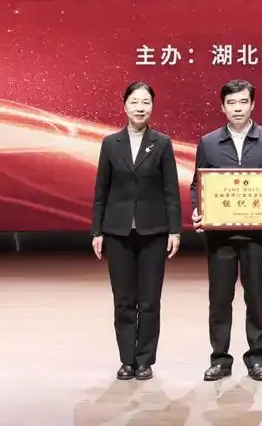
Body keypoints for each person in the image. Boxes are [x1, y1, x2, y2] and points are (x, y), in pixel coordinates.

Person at [189, 79, 262, 382]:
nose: (237, 108)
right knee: (220, 300)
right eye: (231, 103)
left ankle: (257, 358)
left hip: (257, 235)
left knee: (256, 298)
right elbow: (197, 185)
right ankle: (220, 359)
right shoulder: (208, 143)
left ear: (252, 104)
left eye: (243, 102)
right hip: (220, 237)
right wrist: (198, 209)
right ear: (222, 107)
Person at [90, 81, 183, 381]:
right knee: (123, 300)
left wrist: (174, 230)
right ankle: (127, 360)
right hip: (117, 232)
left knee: (150, 300)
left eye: (145, 102)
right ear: (124, 106)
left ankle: (145, 360)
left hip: (153, 232)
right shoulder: (110, 143)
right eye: (134, 102)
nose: (140, 108)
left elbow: (170, 190)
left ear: (152, 107)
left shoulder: (162, 143)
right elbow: (101, 190)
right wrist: (97, 231)